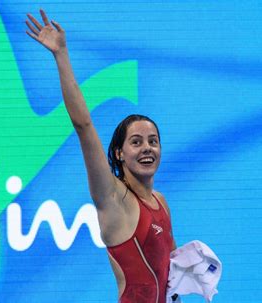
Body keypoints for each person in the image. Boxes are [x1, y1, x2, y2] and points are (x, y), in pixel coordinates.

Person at [26, 10, 176, 303]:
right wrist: (61, 55)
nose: (147, 148)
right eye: (136, 142)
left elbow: (171, 281)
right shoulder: (114, 199)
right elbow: (83, 126)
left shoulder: (162, 203)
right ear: (119, 154)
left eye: (153, 141)